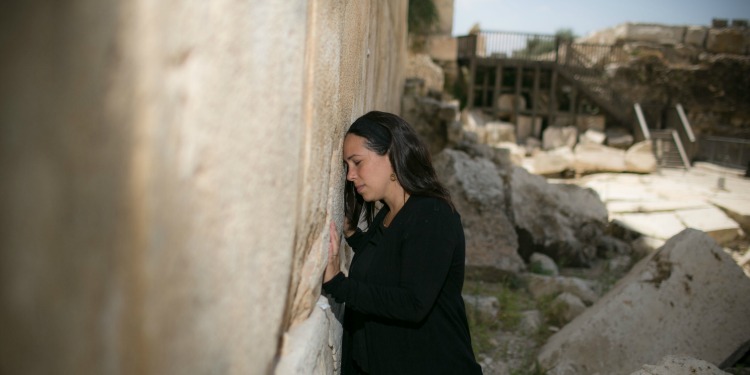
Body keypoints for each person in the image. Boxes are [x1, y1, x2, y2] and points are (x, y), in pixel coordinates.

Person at [322, 111, 483, 374]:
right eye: (346, 166)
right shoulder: (389, 213)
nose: (350, 175)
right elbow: (391, 263)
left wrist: (338, 284)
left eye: (357, 162)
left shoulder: (433, 214)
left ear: (392, 155)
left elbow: (412, 302)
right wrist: (352, 235)